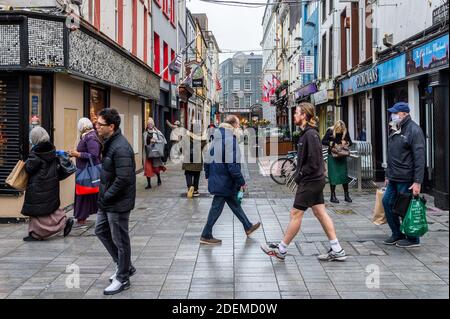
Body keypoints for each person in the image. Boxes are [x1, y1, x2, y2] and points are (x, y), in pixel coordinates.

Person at [261, 103, 347, 262]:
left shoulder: (310, 135)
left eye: (297, 113)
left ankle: (281, 249)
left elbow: (314, 162)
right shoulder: (307, 134)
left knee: (295, 214)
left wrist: (299, 175)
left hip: (310, 181)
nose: (294, 115)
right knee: (320, 213)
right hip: (314, 180)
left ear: (305, 116)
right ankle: (337, 249)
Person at [94, 108, 136, 295]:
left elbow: (124, 177)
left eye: (100, 124)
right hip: (108, 200)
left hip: (117, 201)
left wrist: (107, 195)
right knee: (100, 230)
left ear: (111, 127)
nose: (97, 127)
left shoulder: (120, 147)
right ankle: (124, 265)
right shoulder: (110, 142)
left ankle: (123, 278)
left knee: (120, 239)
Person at [200, 115, 261, 244]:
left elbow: (207, 158)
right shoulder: (229, 139)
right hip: (224, 179)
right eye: (238, 125)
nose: (238, 127)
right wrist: (241, 182)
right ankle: (206, 234)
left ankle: (247, 226)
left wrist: (208, 174)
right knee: (216, 207)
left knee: (234, 203)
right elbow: (232, 165)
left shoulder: (216, 136)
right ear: (233, 125)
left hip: (219, 178)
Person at [382, 102, 425, 248]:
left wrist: (417, 181)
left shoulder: (414, 130)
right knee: (387, 202)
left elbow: (419, 157)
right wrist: (388, 174)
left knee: (405, 207)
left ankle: (413, 238)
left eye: (395, 113)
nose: (392, 115)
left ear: (404, 114)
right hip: (394, 176)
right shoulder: (395, 128)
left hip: (406, 177)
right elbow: (391, 154)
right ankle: (397, 233)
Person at [21, 126, 74, 241]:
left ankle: (36, 234)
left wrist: (26, 162)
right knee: (49, 208)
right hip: (50, 183)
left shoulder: (35, 153)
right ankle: (63, 222)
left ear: (34, 139)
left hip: (38, 185)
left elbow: (29, 168)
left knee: (36, 211)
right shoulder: (51, 149)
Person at [69, 118, 102, 226]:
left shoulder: (90, 137)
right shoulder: (87, 136)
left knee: (83, 193)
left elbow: (94, 155)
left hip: (86, 171)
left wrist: (78, 154)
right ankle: (83, 217)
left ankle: (81, 218)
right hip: (84, 170)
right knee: (86, 192)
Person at [321, 120, 353, 203]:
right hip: (332, 156)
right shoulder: (330, 131)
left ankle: (346, 195)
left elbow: (350, 142)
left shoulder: (345, 131)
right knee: (333, 176)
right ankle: (333, 196)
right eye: (339, 130)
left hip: (342, 156)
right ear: (335, 128)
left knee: (344, 176)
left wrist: (346, 142)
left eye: (341, 131)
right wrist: (332, 143)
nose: (340, 132)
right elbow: (323, 141)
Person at [182, 122, 207, 198]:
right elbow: (203, 147)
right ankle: (195, 190)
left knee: (188, 173)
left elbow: (183, 147)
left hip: (188, 157)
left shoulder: (186, 136)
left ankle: (190, 187)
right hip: (197, 158)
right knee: (196, 174)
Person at [143, 118, 167, 189]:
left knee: (156, 169)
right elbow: (144, 143)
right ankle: (149, 184)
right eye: (148, 124)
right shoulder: (145, 133)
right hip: (148, 154)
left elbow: (163, 141)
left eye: (151, 123)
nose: (150, 125)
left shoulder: (157, 132)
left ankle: (159, 178)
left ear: (153, 124)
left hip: (155, 154)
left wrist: (155, 141)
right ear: (147, 125)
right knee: (147, 169)